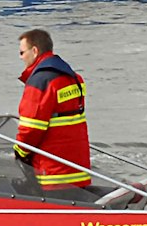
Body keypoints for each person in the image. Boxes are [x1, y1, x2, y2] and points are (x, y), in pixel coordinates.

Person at [13, 29, 92, 193]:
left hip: (52, 173)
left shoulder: (40, 81)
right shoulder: (74, 78)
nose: (20, 57)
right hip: (78, 169)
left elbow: (31, 128)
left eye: (22, 52)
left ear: (34, 51)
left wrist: (19, 152)